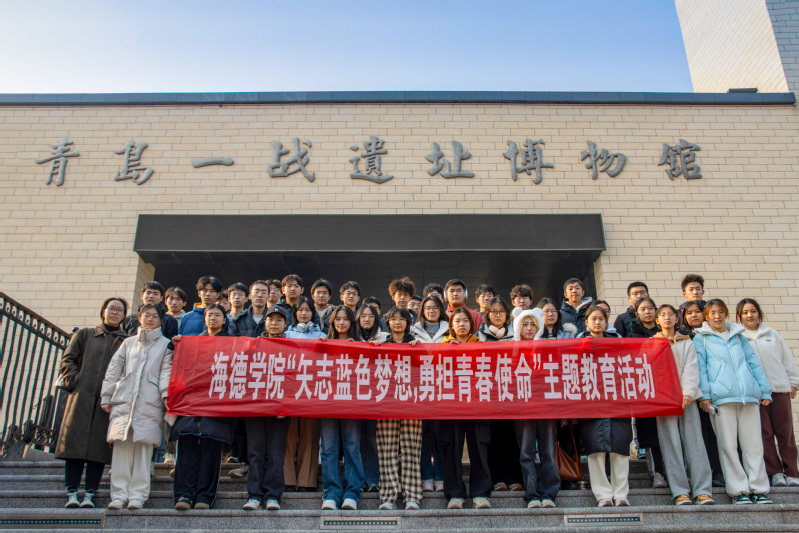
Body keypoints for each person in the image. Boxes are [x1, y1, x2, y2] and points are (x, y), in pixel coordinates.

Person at [694, 299, 773, 505]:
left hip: (748, 397)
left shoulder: (739, 336)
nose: (717, 316)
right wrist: (705, 395)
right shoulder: (701, 338)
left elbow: (753, 363)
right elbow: (700, 368)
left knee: (753, 445)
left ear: (726, 314)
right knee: (728, 446)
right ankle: (739, 490)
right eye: (713, 313)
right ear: (707, 316)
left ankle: (759, 489)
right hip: (721, 399)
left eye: (721, 312)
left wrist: (764, 389)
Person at [57, 297, 129, 509]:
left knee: (98, 448)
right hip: (81, 396)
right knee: (74, 444)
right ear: (103, 311)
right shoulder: (86, 334)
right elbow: (68, 359)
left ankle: (90, 492)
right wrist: (74, 380)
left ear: (124, 316)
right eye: (111, 308)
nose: (114, 313)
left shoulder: (126, 340)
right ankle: (72, 491)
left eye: (119, 310)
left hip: (108, 400)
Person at [101, 303, 172, 510]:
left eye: (154, 316)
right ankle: (118, 495)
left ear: (160, 321)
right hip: (124, 400)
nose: (150, 319)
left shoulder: (165, 345)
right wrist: (106, 396)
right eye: (146, 315)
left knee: (143, 452)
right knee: (121, 450)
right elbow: (114, 370)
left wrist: (166, 396)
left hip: (150, 402)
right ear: (139, 318)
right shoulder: (128, 343)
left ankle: (138, 496)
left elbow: (166, 373)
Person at [170, 304, 234, 510]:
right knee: (187, 448)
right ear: (204, 319)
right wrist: (175, 345)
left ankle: (204, 496)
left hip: (217, 405)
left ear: (225, 320)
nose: (213, 318)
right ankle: (184, 495)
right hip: (191, 403)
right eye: (209, 315)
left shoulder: (233, 343)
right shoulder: (190, 343)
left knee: (210, 451)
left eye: (218, 315)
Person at [653, 304, 715, 506]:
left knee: (695, 443)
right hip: (664, 401)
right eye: (662, 315)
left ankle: (702, 490)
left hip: (687, 400)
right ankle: (680, 491)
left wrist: (688, 392)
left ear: (677, 318)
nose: (667, 318)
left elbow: (691, 368)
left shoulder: (687, 342)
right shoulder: (651, 343)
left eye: (670, 314)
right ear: (657, 320)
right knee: (670, 445)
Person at [737, 298, 799, 488]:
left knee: (785, 432)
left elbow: (787, 359)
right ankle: (775, 473)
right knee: (765, 433)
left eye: (753, 311)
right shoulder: (739, 337)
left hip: (779, 390)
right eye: (745, 312)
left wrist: (793, 382)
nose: (750, 315)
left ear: (759, 313)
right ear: (739, 316)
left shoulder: (772, 334)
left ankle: (792, 472)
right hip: (757, 394)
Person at [577, 305, 631, 507]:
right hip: (590, 402)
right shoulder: (577, 344)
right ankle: (602, 495)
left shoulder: (618, 343)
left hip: (617, 400)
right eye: (594, 318)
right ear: (586, 322)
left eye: (601, 319)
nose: (598, 322)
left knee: (620, 448)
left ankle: (621, 493)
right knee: (595, 449)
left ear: (606, 322)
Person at [370, 306, 423, 510]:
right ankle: (388, 496)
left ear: (408, 322)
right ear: (388, 322)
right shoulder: (381, 344)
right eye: (393, 319)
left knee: (411, 450)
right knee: (387, 450)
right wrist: (373, 347)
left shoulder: (416, 344)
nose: (398, 322)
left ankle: (412, 496)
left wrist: (418, 350)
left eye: (402, 319)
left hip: (412, 404)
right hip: (387, 403)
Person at [241, 305, 292, 510]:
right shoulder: (253, 344)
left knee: (276, 453)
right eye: (271, 319)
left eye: (279, 320)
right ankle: (254, 495)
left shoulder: (293, 347)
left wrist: (285, 405)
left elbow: (295, 377)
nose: (274, 323)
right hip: (255, 406)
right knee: (255, 452)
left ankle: (273, 495)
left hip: (280, 408)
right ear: (265, 322)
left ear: (285, 324)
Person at [440, 308, 491, 509]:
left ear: (472, 324)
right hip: (451, 405)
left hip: (477, 404)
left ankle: (481, 493)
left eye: (465, 321)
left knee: (478, 447)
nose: (461, 324)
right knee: (452, 448)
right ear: (451, 326)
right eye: (457, 321)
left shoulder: (481, 346)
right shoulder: (442, 347)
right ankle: (455, 494)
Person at [513, 308, 560, 508]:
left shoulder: (548, 348)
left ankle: (549, 493)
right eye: (525, 324)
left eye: (533, 324)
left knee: (548, 451)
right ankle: (531, 494)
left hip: (546, 407)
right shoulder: (511, 350)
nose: (529, 328)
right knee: (526, 452)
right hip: (523, 408)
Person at [320, 306, 365, 510]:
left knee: (352, 447)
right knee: (329, 449)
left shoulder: (360, 345)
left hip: (352, 403)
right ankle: (331, 493)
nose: (341, 323)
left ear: (351, 322)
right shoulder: (323, 343)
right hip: (327, 403)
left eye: (345, 319)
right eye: (337, 319)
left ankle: (353, 493)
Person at [478, 297, 522, 492]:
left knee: (511, 436)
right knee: (493, 437)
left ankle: (514, 478)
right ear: (487, 315)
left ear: (506, 316)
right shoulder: (480, 335)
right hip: (488, 392)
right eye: (493, 312)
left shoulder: (516, 334)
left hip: (511, 392)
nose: (497, 315)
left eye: (501, 312)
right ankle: (497, 479)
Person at [680, 300, 724, 487]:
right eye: (689, 313)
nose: (694, 316)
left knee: (716, 436)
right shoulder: (682, 336)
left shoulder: (714, 334)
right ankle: (706, 474)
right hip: (693, 395)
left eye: (697, 312)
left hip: (715, 393)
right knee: (700, 437)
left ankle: (719, 472)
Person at [283, 296, 324, 493]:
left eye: (308, 310)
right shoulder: (285, 335)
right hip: (289, 391)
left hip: (312, 391)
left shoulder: (322, 335)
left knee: (310, 435)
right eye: (300, 310)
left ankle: (306, 481)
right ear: (295, 313)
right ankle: (287, 479)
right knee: (288, 436)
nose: (304, 313)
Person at [409, 295, 448, 493]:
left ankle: (440, 476)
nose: (431, 311)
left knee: (440, 433)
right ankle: (425, 476)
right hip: (420, 389)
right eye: (428, 308)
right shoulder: (412, 332)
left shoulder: (449, 331)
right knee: (423, 435)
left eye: (435, 308)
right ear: (422, 311)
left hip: (443, 389)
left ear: (441, 310)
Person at [627, 297, 667, 489]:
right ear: (637, 313)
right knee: (650, 435)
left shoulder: (666, 333)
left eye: (651, 308)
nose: (648, 312)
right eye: (643, 309)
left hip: (665, 389)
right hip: (644, 389)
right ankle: (656, 473)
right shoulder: (632, 335)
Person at [355, 302, 382, 492]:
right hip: (353, 396)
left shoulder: (384, 338)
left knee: (372, 438)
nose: (367, 319)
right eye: (363, 316)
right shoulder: (350, 338)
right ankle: (357, 480)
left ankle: (373, 479)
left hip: (375, 397)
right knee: (355, 440)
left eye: (371, 316)